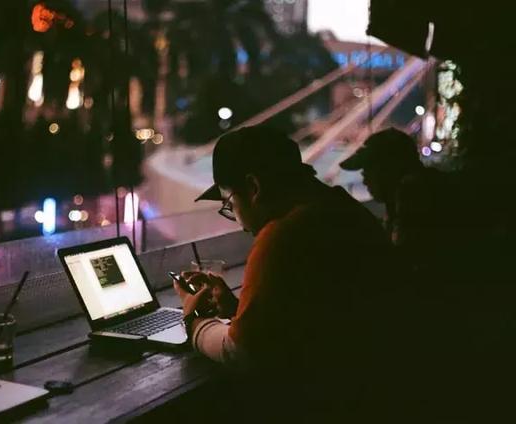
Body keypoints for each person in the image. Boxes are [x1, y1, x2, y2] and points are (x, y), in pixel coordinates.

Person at [174, 125, 408, 420]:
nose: (239, 223)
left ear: (254, 188)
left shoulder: (283, 235)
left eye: (230, 204)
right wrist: (240, 310)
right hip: (381, 389)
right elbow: (310, 314)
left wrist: (194, 321)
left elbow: (240, 353)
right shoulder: (343, 209)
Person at [340, 127, 462, 276]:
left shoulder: (413, 194)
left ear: (388, 168)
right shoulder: (421, 187)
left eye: (368, 170)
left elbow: (402, 263)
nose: (365, 180)